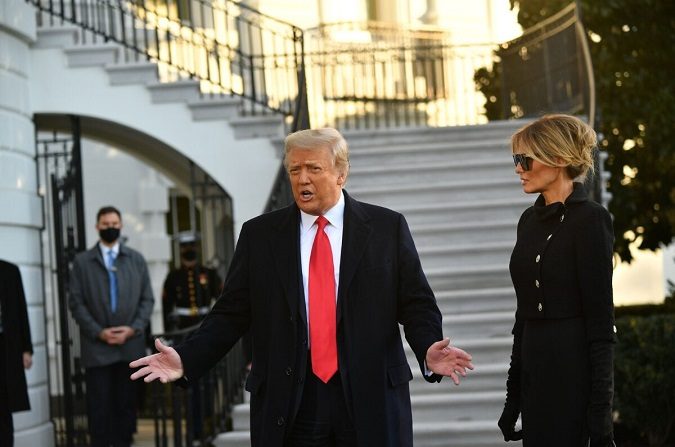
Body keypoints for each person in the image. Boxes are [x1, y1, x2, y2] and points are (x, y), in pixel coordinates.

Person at [131, 127, 474, 447]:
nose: (302, 179)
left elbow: (416, 304)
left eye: (313, 169)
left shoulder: (386, 228)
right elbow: (230, 314)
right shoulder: (260, 236)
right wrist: (187, 357)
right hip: (291, 401)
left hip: (369, 396)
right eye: (294, 171)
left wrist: (428, 346)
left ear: (341, 173)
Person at [498, 114, 616, 446]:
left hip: (573, 373)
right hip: (536, 375)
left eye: (524, 159)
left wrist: (601, 415)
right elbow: (523, 319)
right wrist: (514, 399)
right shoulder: (528, 221)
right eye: (515, 159)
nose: (518, 168)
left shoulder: (591, 220)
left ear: (559, 159)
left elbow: (601, 323)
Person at [69, 206, 155, 447]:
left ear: (121, 225)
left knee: (126, 404)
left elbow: (147, 299)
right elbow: (76, 302)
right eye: (105, 224)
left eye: (115, 223)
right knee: (99, 405)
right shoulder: (82, 262)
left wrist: (133, 328)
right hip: (98, 349)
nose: (110, 228)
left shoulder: (135, 259)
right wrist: (99, 332)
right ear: (97, 227)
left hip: (130, 346)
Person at [0, 260, 33, 447]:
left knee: (5, 407)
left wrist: (26, 349)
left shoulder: (9, 271)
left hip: (6, 349)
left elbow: (21, 311)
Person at [162, 232, 223, 333]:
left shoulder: (209, 273)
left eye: (192, 245)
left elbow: (222, 298)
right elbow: (166, 306)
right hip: (182, 326)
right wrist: (169, 330)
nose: (188, 248)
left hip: (206, 322)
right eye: (184, 246)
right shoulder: (173, 276)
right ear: (180, 249)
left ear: (197, 247)